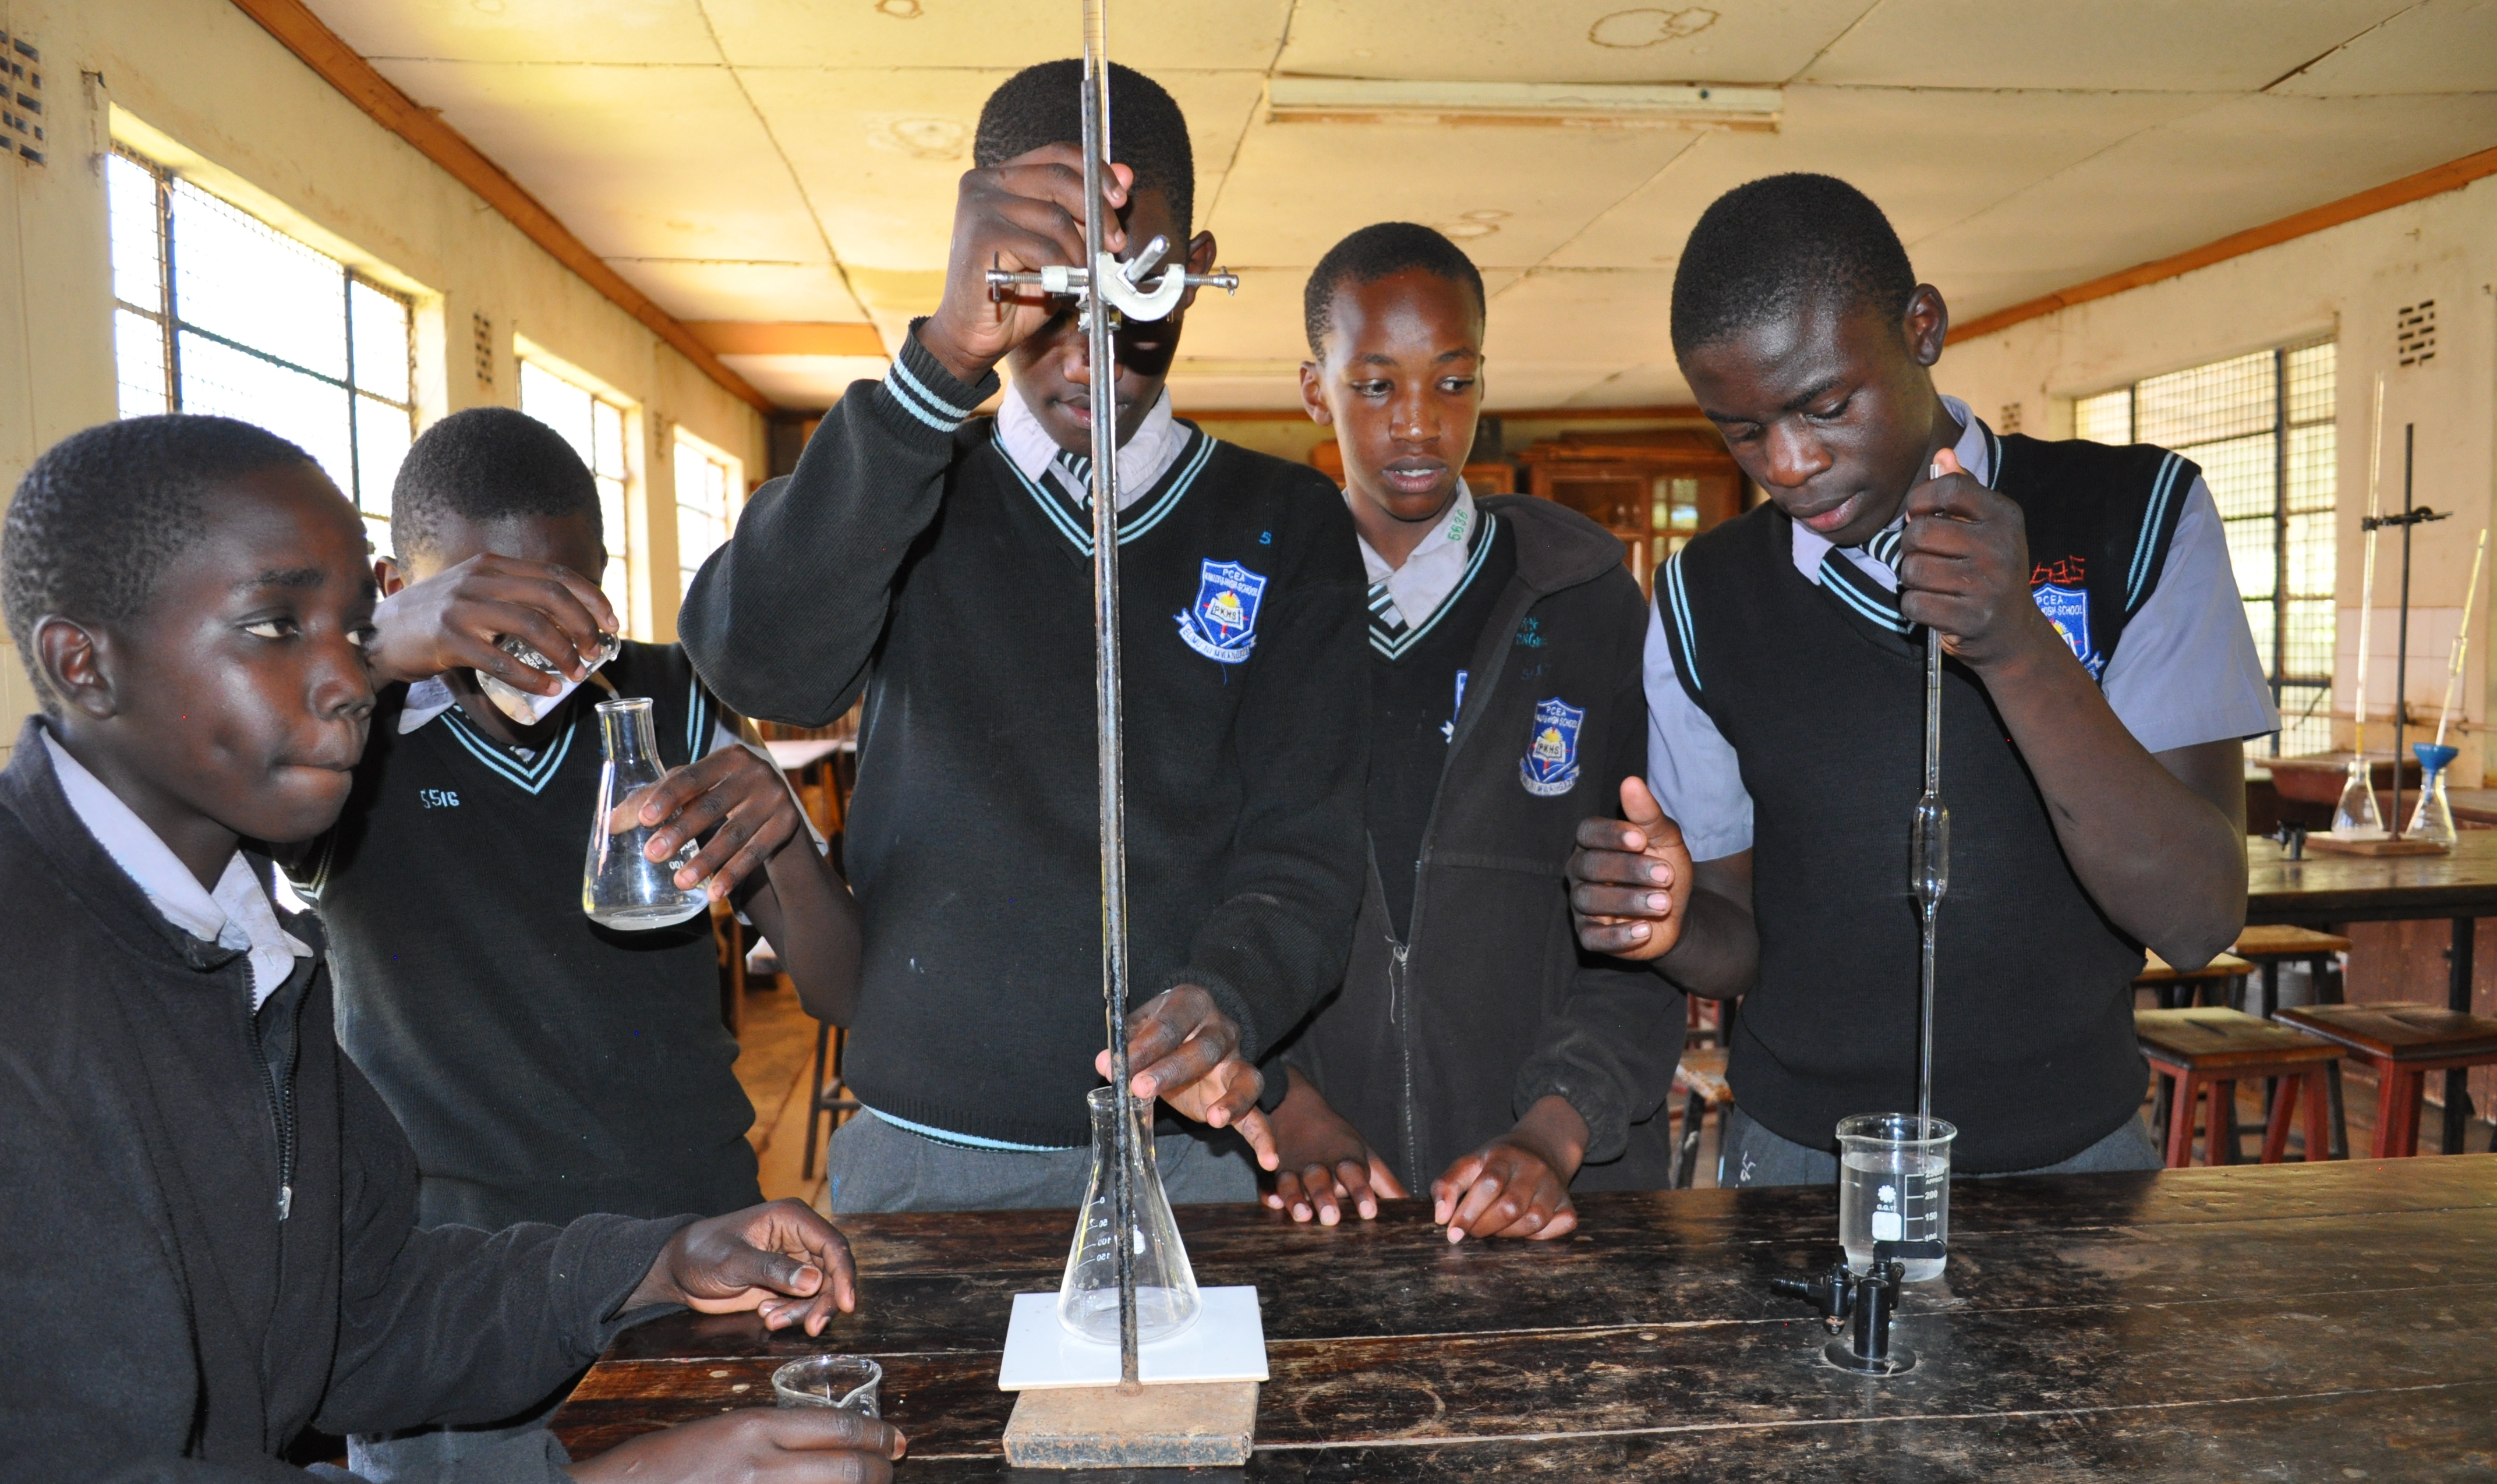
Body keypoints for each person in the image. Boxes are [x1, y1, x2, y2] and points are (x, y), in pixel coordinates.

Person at [0, 415, 898, 1484]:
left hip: (595, 1247)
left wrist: (651, 1262)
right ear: (83, 664)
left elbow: (356, 1315)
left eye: (348, 634)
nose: (342, 677)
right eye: (280, 626)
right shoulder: (55, 982)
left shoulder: (244, 951)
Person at [675, 61, 1369, 1211]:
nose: (1087, 345)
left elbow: (1307, 845)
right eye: (1046, 291)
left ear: (1194, 270)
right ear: (981, 269)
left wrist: (1231, 996)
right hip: (924, 1152)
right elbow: (764, 667)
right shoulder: (904, 476)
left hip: (1183, 1148)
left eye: (1133, 289)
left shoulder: (1283, 520)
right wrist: (941, 361)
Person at [1567, 173, 2275, 1185]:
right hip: (1800, 1161)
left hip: (2074, 1159)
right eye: (1742, 430)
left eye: (1826, 406)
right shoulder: (1703, 598)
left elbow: (2199, 917)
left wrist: (2019, 646)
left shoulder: (2139, 516)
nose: (1790, 462)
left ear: (1922, 328)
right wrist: (1670, 926)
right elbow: (1741, 935)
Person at [288, 406, 859, 1233]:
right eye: (489, 604)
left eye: (563, 598)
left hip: (693, 1222)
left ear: (602, 575)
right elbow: (192, 763)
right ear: (400, 592)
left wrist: (788, 845)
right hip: (455, 1252)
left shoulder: (680, 700)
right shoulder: (333, 741)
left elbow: (843, 992)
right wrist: (367, 651)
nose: (534, 642)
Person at [1256, 223, 1682, 1241]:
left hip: (1555, 1189)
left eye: (1453, 383)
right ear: (1316, 391)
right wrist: (1283, 1100)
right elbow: (1194, 899)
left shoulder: (1586, 602)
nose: (1419, 422)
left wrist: (1555, 1130)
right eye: (1376, 386)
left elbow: (1646, 926)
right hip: (1314, 1193)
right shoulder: (1256, 614)